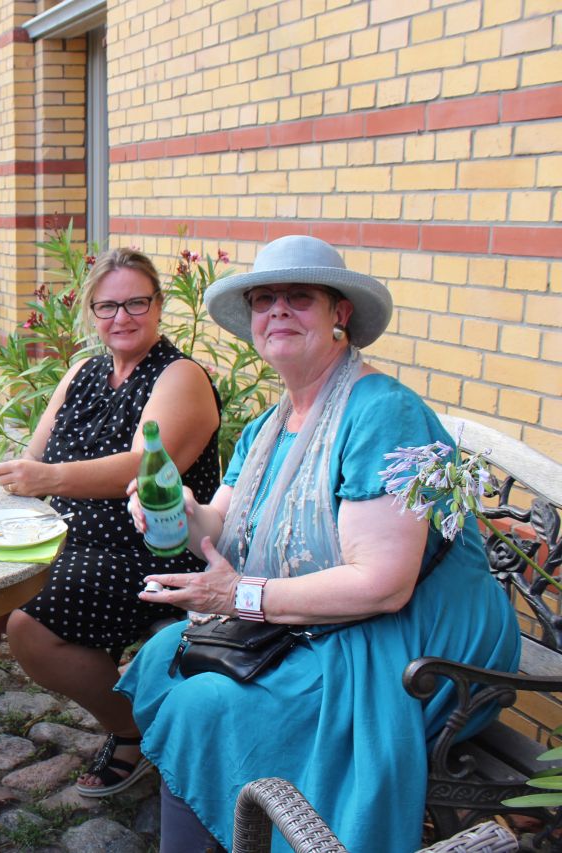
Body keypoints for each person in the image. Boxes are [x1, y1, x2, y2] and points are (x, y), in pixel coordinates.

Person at [121, 235, 521, 852]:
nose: (277, 310)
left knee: (206, 707)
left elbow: (383, 585)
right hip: (328, 616)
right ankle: (229, 824)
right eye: (264, 299)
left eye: (299, 297)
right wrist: (175, 507)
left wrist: (241, 596)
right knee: (164, 655)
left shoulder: (383, 412)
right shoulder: (268, 424)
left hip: (420, 635)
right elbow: (218, 530)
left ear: (340, 316)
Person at [0, 247, 222, 796]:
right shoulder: (83, 372)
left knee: (31, 626)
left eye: (135, 303)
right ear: (90, 312)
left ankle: (135, 731)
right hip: (65, 537)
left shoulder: (181, 376)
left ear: (158, 306)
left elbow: (141, 467)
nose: (121, 318)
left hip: (149, 544)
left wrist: (46, 480)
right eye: (107, 306)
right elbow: (35, 460)